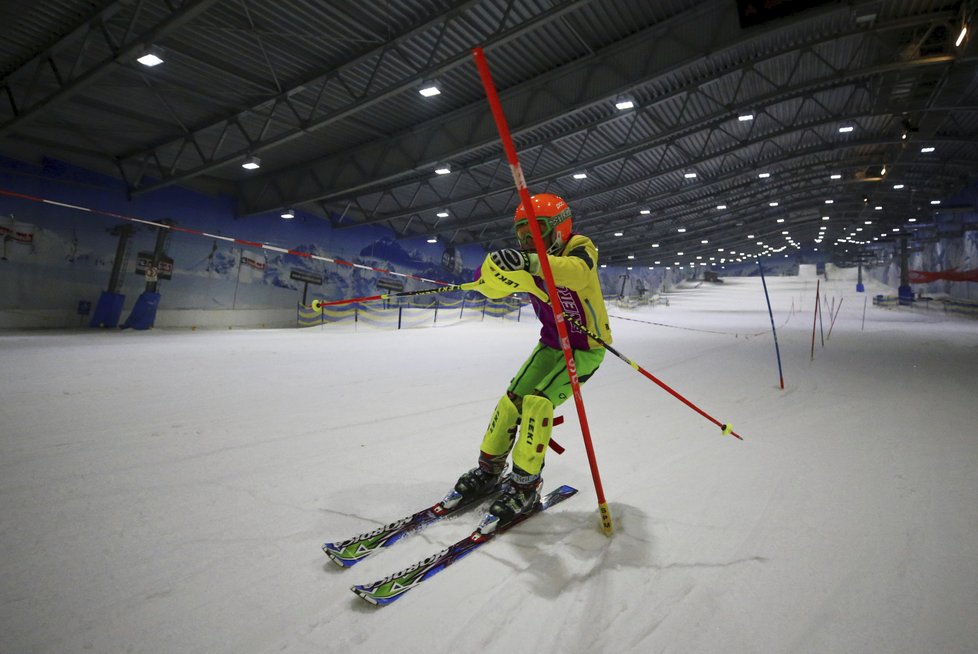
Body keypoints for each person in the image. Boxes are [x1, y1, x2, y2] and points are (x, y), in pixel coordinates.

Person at [447, 193, 612, 529]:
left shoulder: (580, 247)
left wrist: (530, 262)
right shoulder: (528, 260)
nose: (529, 242)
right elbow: (491, 287)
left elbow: (578, 274)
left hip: (584, 349)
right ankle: (489, 470)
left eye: (537, 233)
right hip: (552, 344)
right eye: (523, 236)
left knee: (538, 403)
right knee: (512, 402)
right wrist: (490, 271)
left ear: (560, 230)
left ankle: (526, 486)